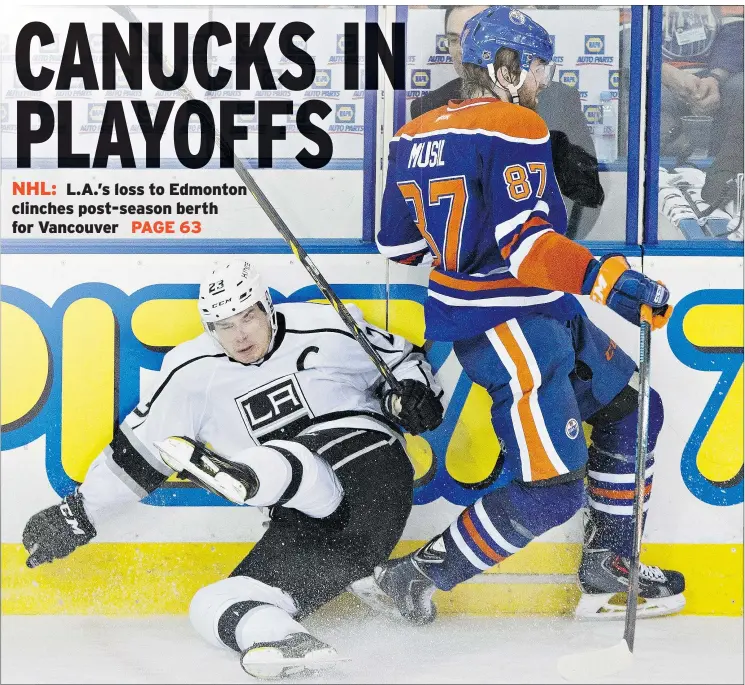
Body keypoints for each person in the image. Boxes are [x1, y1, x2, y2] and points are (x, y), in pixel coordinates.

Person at [371, 6, 686, 624]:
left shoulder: (414, 135)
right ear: (506, 67)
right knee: (552, 489)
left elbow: (397, 245)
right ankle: (414, 576)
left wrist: (463, 243)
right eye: (538, 67)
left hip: (535, 312)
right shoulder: (515, 124)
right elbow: (527, 245)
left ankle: (609, 565)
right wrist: (609, 281)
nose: (544, 81)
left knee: (633, 407)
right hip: (511, 327)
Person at [21, 260, 443, 679]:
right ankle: (284, 639)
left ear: (266, 307)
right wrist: (77, 516)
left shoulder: (326, 326)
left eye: (248, 317)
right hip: (339, 534)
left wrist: (412, 396)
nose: (239, 334)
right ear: (209, 328)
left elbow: (403, 362)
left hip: (369, 472)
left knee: (291, 459)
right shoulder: (190, 372)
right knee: (214, 602)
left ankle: (245, 477)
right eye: (224, 325)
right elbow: (138, 455)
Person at [411, 5, 605, 236]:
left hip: (538, 256)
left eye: (478, 35)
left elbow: (588, 195)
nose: (465, 49)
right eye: (455, 40)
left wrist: (554, 253)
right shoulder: (429, 108)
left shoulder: (558, 99)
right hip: (466, 265)